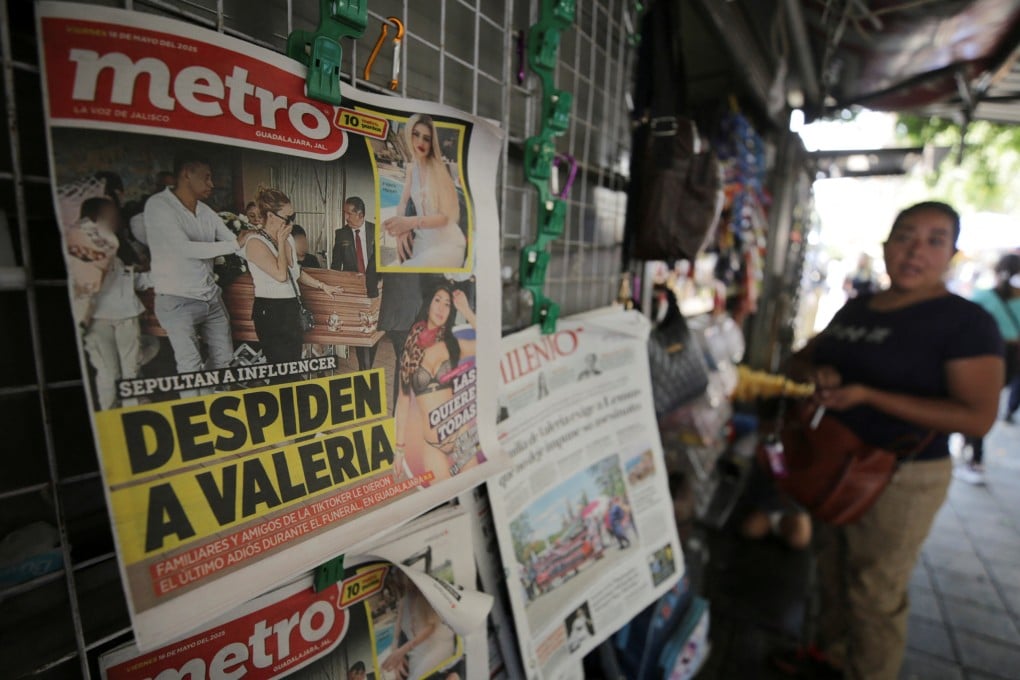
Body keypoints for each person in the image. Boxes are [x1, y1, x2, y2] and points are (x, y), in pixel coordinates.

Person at [778, 201, 1003, 680]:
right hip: (833, 459)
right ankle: (826, 659)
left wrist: (869, 395)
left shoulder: (966, 323)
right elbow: (800, 360)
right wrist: (816, 371)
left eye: (934, 239)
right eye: (905, 235)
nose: (915, 250)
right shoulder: (859, 306)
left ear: (953, 254)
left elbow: (977, 418)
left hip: (903, 476)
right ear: (886, 245)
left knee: (874, 593)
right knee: (831, 573)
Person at [143, 153, 245, 391]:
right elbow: (184, 249)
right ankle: (195, 410)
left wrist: (268, 251)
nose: (212, 184)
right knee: (190, 367)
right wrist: (236, 245)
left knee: (224, 360)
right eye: (207, 177)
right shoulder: (159, 206)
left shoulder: (206, 212)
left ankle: (211, 402)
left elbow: (236, 243)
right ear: (187, 174)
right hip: (177, 299)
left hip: (211, 297)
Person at [243, 187, 343, 366]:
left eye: (293, 217)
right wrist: (281, 243)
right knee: (280, 369)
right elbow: (281, 275)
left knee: (294, 364)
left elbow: (295, 273)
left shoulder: (288, 239)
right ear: (271, 216)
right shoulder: (255, 243)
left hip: (290, 308)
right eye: (287, 218)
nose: (291, 223)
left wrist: (322, 286)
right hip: (270, 310)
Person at [394, 284, 477, 484]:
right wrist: (399, 450)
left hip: (460, 435)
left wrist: (466, 310)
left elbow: (489, 344)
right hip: (431, 445)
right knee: (443, 497)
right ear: (428, 303)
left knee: (472, 488)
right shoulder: (410, 347)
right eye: (437, 300)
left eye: (447, 305)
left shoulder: (451, 344)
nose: (441, 308)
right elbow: (403, 402)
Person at [78, 197, 152, 409]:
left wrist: (159, 276)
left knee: (131, 371)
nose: (117, 219)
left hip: (125, 315)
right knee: (109, 374)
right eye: (112, 215)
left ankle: (132, 413)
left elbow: (128, 281)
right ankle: (109, 415)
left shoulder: (116, 246)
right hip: (98, 318)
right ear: (95, 218)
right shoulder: (85, 244)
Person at [957, 253, 1020, 483]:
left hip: (982, 356)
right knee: (983, 403)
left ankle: (974, 458)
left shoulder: (983, 296)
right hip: (1012, 360)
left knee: (973, 404)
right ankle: (972, 452)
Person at [383, 114, 467, 269]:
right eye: (416, 135)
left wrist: (409, 223)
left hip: (446, 244)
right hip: (423, 241)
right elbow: (402, 202)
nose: (420, 142)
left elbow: (445, 218)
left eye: (426, 138)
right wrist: (401, 233)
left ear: (431, 143)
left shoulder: (440, 170)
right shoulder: (411, 168)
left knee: (401, 270)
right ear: (409, 135)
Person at [381, 569, 460, 680]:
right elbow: (397, 632)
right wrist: (395, 652)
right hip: (419, 651)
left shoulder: (426, 595)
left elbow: (431, 627)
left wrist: (401, 651)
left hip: (437, 647)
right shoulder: (404, 602)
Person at [333, 196, 380, 370]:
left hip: (375, 290)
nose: (345, 216)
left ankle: (368, 365)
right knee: (362, 330)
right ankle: (364, 368)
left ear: (360, 214)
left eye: (348, 213)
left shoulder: (376, 231)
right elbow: (336, 266)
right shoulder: (341, 234)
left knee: (373, 331)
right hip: (354, 292)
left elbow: (385, 262)